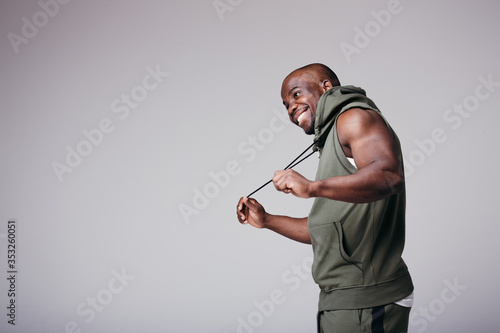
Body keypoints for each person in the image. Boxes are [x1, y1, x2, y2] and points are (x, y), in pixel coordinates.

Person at [236, 63, 414, 332]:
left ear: (326, 87)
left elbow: (390, 176)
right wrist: (267, 220)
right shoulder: (332, 140)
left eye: (295, 95)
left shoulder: (353, 118)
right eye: (285, 104)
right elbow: (328, 229)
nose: (291, 108)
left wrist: (312, 188)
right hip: (341, 300)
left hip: (367, 301)